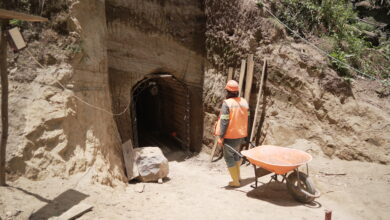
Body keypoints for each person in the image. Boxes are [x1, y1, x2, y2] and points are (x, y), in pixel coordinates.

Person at [214, 80, 249, 187]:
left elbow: (224, 121)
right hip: (240, 134)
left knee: (229, 157)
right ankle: (238, 177)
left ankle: (235, 182)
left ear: (228, 91)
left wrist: (221, 136)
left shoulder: (227, 104)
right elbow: (248, 118)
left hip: (230, 135)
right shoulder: (244, 102)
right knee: (236, 155)